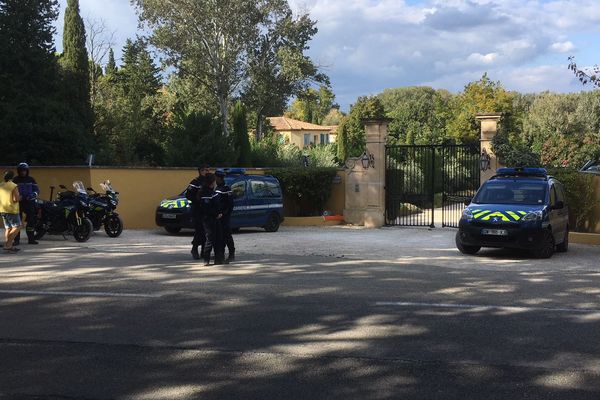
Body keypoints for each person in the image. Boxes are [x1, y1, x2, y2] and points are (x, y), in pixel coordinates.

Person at [198, 174, 225, 266]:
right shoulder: (208, 194)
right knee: (211, 239)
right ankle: (207, 260)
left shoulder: (207, 193)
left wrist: (218, 213)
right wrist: (217, 213)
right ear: (212, 182)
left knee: (217, 238)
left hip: (211, 218)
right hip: (210, 219)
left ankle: (217, 259)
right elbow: (208, 208)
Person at [186, 164, 210, 260]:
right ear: (201, 171)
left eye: (209, 170)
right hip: (197, 210)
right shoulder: (195, 182)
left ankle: (204, 251)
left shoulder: (210, 181)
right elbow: (188, 195)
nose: (208, 172)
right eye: (206, 170)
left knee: (206, 231)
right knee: (199, 230)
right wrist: (198, 200)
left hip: (206, 210)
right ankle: (194, 249)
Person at [12, 162, 39, 245]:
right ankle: (16, 240)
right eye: (21, 170)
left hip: (29, 203)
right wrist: (17, 197)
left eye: (24, 170)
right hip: (18, 203)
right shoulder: (15, 180)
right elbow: (11, 191)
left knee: (31, 221)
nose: (23, 172)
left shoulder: (31, 179)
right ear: (18, 171)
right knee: (17, 222)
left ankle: (31, 239)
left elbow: (37, 190)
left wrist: (32, 195)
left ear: (27, 171)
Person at [215, 169, 235, 262]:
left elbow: (230, 204)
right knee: (220, 236)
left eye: (217, 177)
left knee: (227, 235)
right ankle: (221, 254)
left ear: (219, 178)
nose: (216, 179)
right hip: (219, 216)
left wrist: (225, 214)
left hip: (225, 217)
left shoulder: (226, 188)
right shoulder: (217, 188)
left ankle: (231, 254)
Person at [0, 171, 22, 253]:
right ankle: (8, 245)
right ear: (12, 177)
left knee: (8, 228)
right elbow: (15, 199)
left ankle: (8, 246)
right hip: (12, 209)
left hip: (3, 209)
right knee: (17, 226)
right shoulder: (13, 185)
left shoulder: (1, 185)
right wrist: (20, 197)